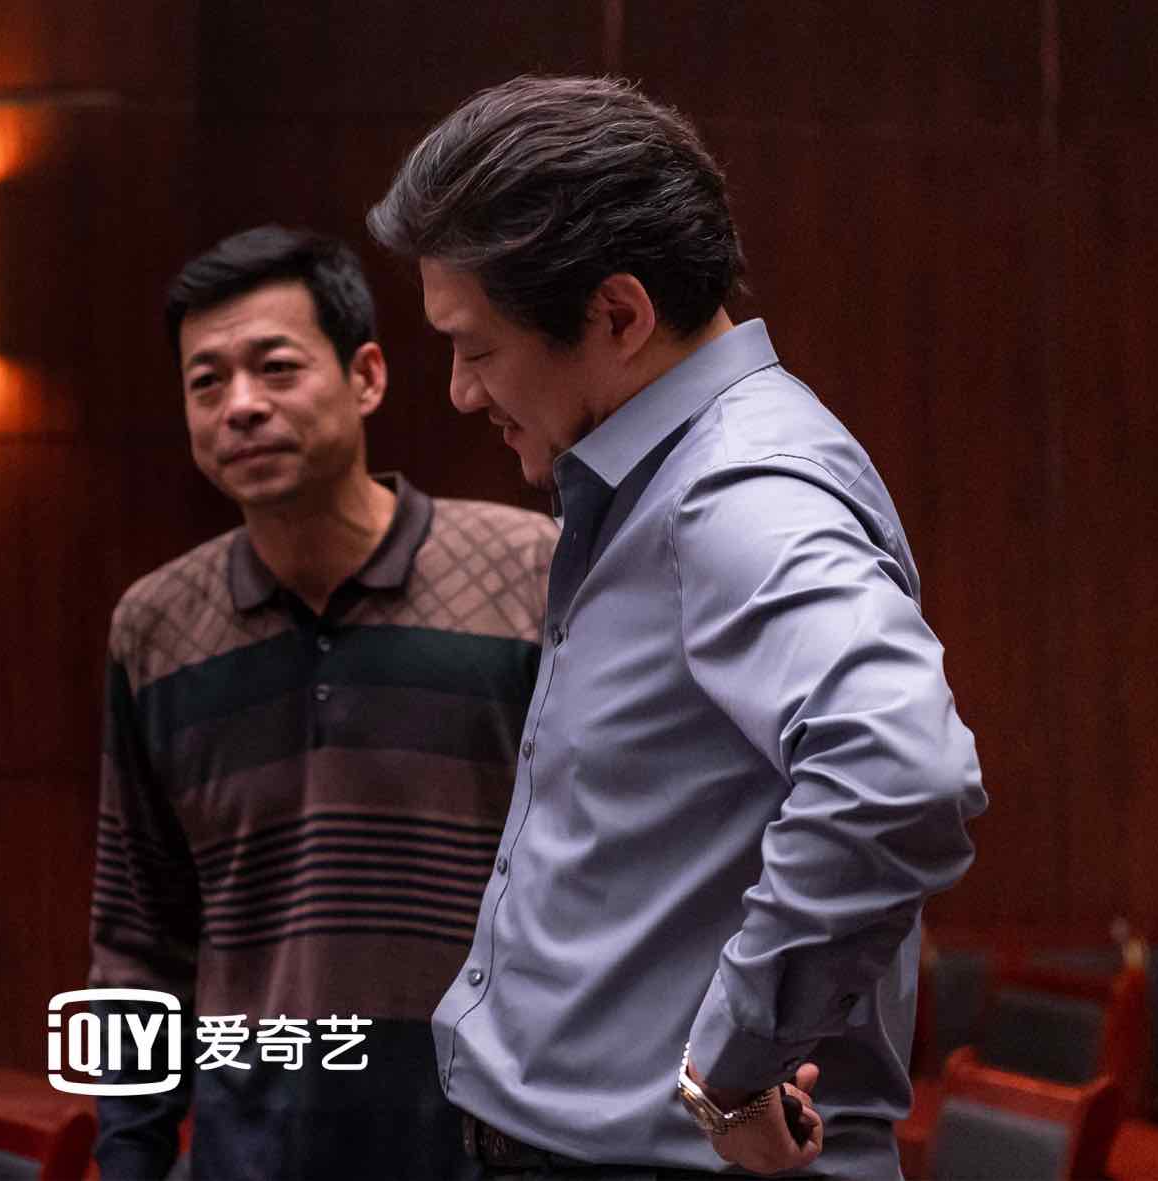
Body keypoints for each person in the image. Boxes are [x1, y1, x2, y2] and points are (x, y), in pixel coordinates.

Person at [367, 75, 987, 1179]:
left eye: (477, 348)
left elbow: (900, 768)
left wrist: (734, 1065)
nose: (459, 391)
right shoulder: (661, 477)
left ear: (618, 315)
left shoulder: (733, 489)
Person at [88, 226, 558, 1181]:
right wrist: (129, 1157)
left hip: (495, 1149)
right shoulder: (155, 626)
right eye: (207, 381)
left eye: (276, 367)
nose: (241, 404)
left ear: (366, 377)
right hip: (253, 1154)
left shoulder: (529, 576)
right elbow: (138, 934)